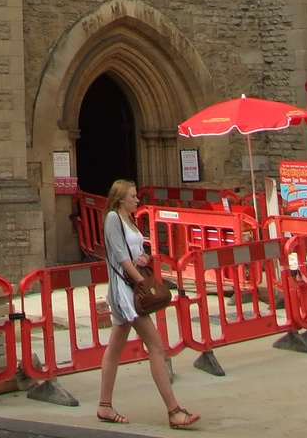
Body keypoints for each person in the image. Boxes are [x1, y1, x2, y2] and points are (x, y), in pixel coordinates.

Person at [97, 179, 198, 430]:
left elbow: (130, 255)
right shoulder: (113, 219)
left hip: (130, 288)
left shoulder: (129, 220)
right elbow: (120, 258)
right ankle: (173, 411)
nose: (137, 200)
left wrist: (142, 259)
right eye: (133, 196)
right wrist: (144, 282)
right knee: (156, 344)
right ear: (121, 198)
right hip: (125, 292)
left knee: (114, 349)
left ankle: (104, 405)